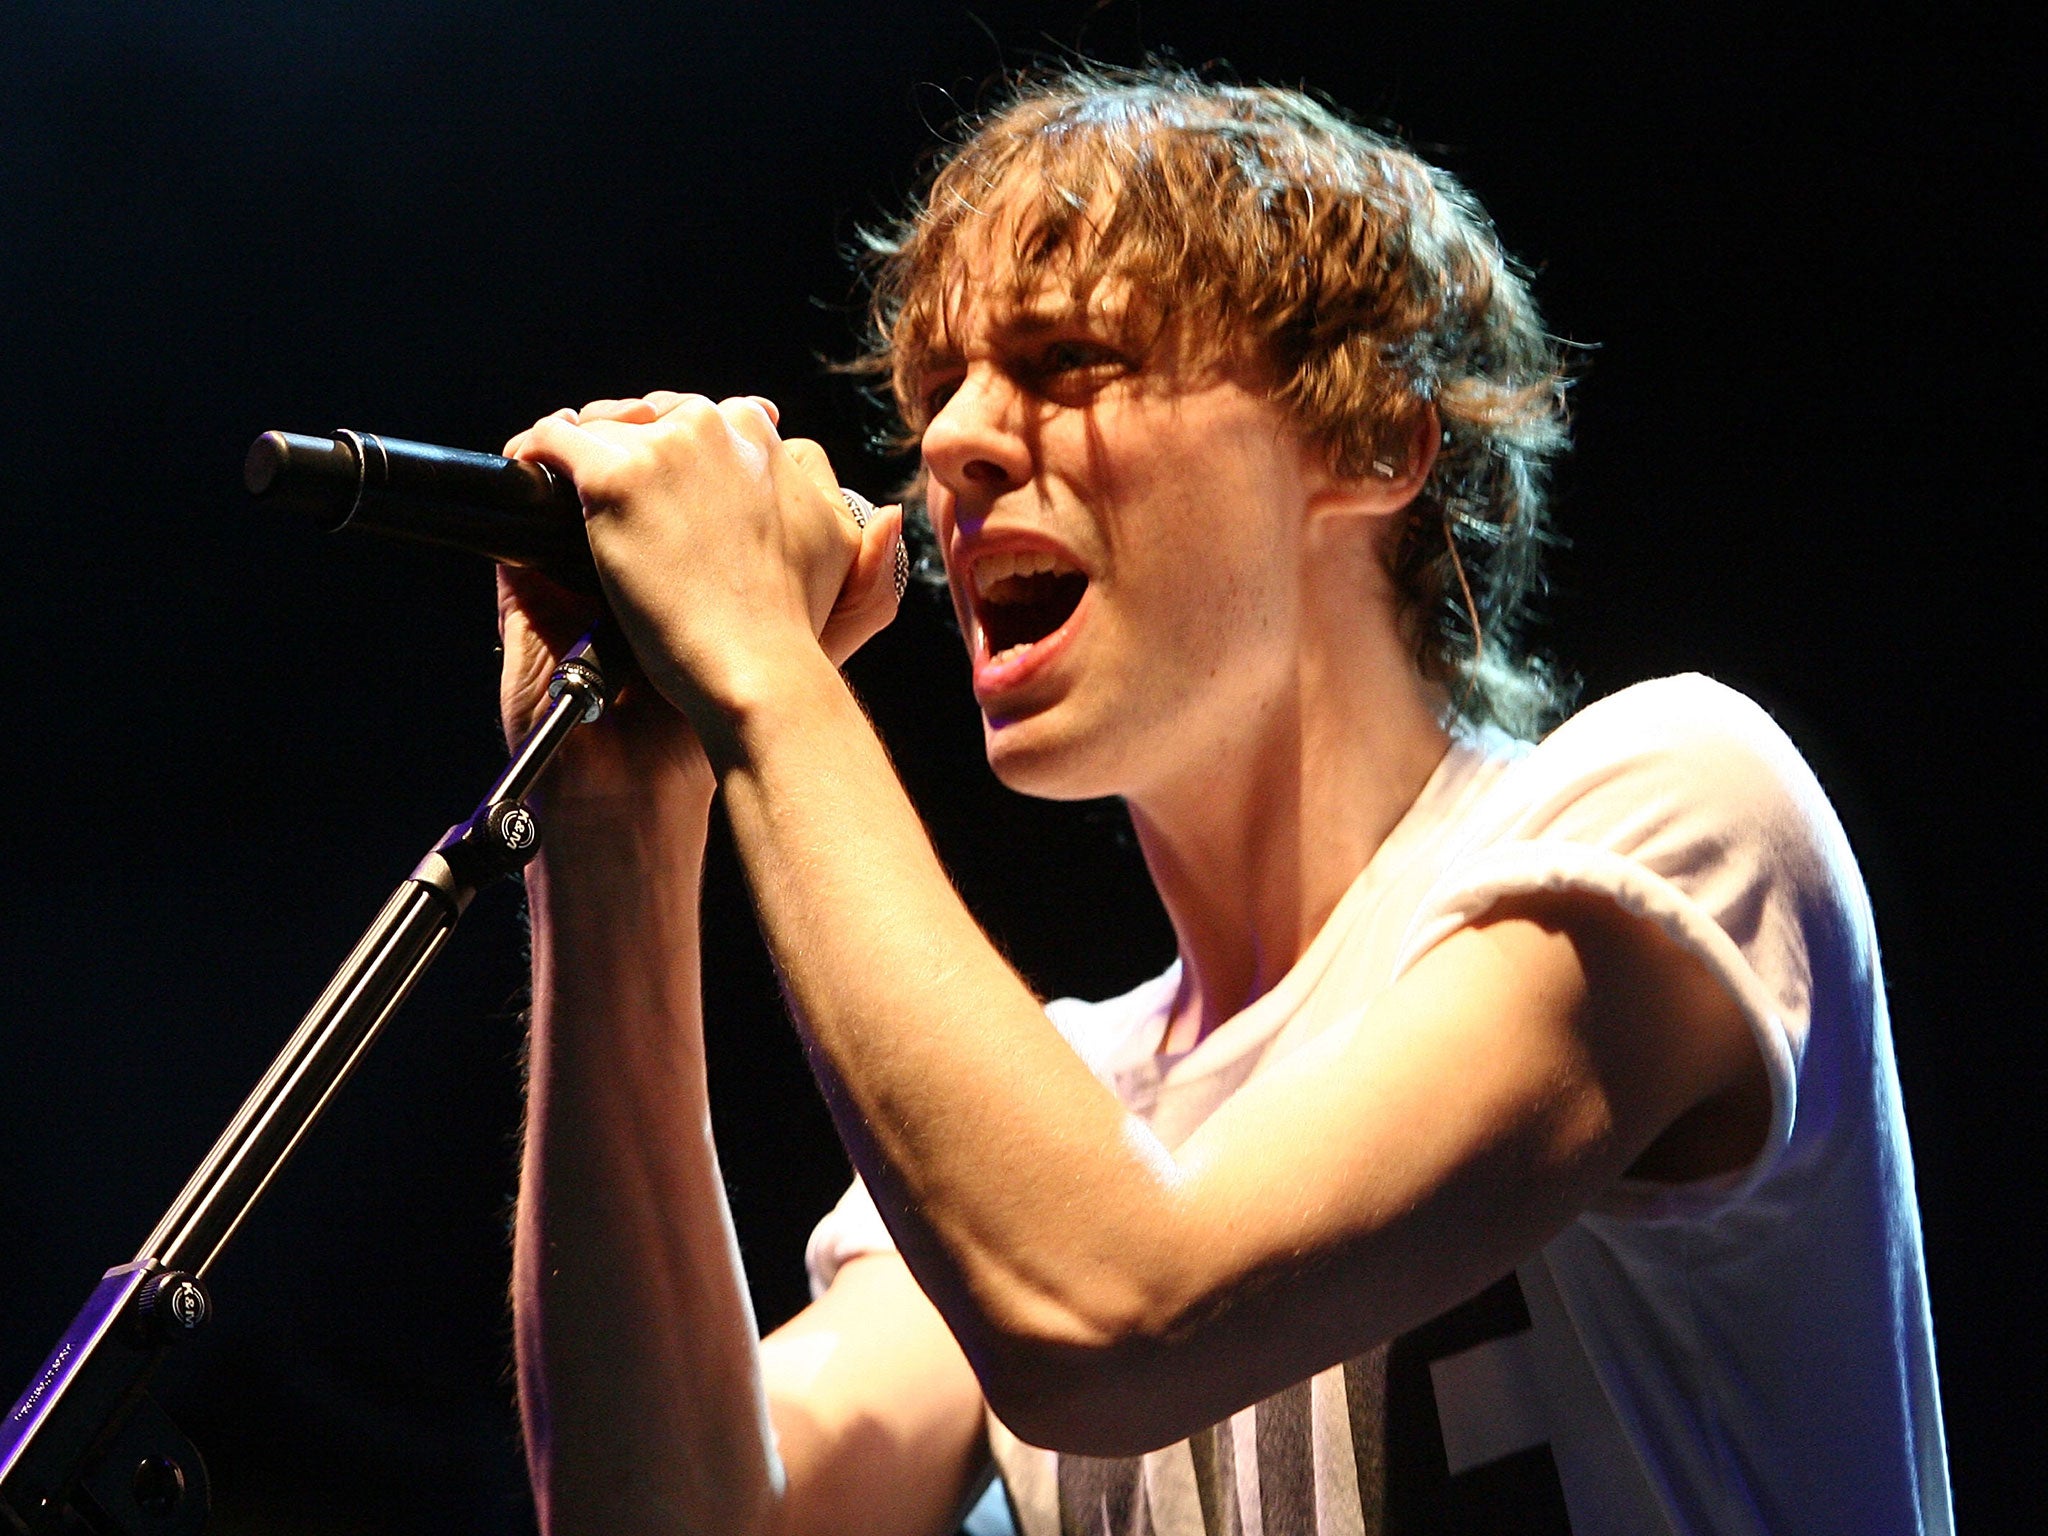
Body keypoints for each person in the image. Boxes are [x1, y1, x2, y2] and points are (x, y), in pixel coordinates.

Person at [496, 67, 1950, 1536]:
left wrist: (761, 672)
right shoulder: (1056, 1113)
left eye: (1070, 357)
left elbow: (1119, 1307)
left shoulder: (1677, 816)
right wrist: (614, 824)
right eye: (936, 394)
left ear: (1371, 440)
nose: (949, 445)